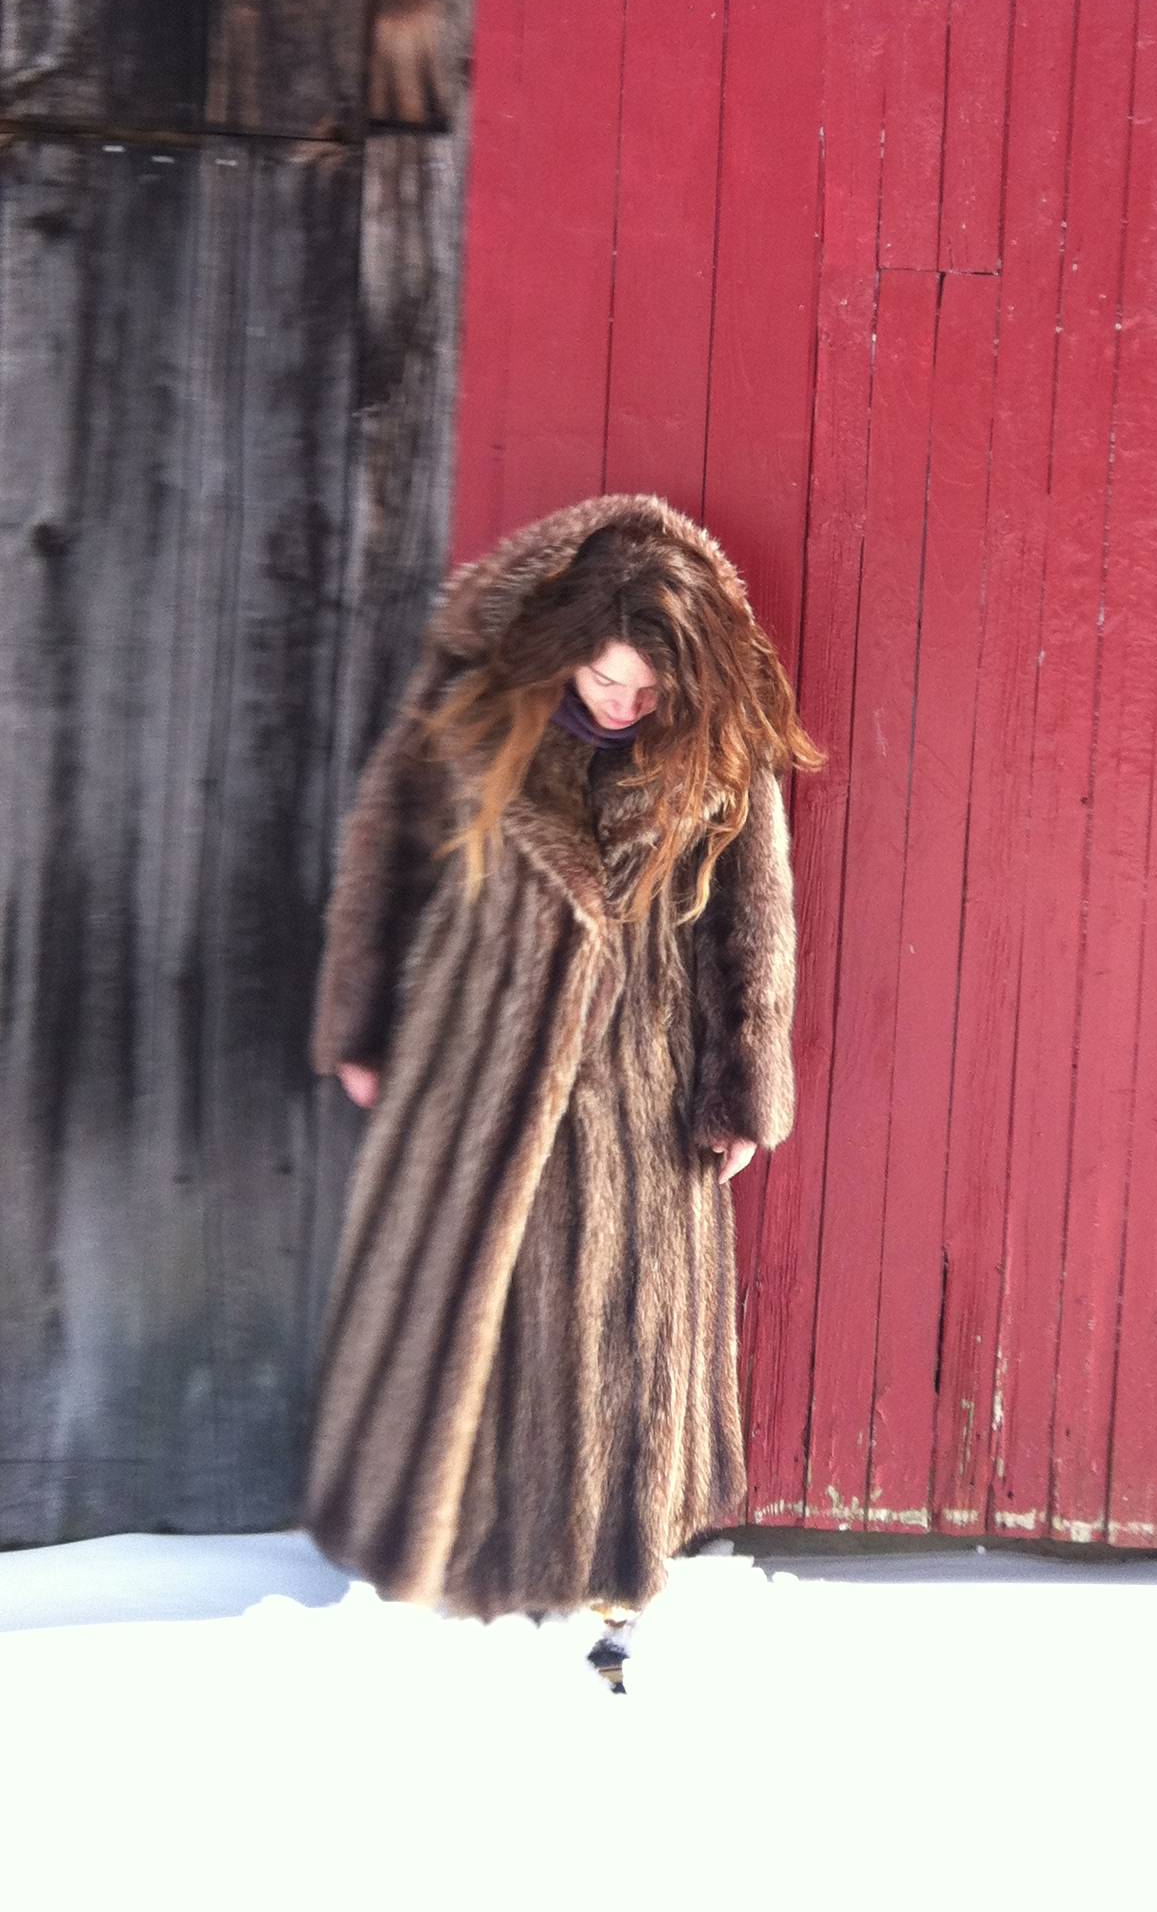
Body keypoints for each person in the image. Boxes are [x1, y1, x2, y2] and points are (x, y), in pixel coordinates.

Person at [301, 492, 824, 1691]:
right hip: (475, 1051)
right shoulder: (477, 704)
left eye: (647, 687)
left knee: (619, 1330)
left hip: (637, 1071)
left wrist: (744, 1085)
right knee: (467, 1307)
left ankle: (603, 1570)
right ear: (565, 645)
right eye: (604, 676)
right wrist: (361, 1025)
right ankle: (444, 1556)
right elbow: (388, 858)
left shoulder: (720, 742)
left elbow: (756, 922)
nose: (622, 702)